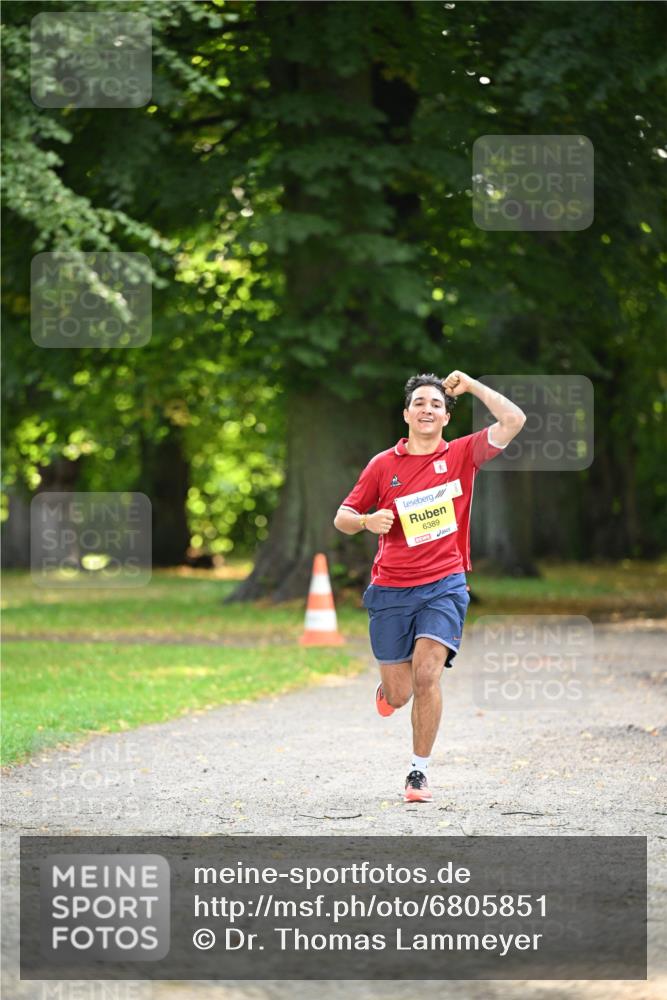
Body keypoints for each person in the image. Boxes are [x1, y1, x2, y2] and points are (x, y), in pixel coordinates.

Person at [333, 371, 526, 802]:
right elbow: (342, 516)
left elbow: (514, 419)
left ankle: (418, 773)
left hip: (445, 583)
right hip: (391, 588)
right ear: (406, 414)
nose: (427, 409)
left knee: (426, 675)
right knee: (401, 693)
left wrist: (473, 386)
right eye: (419, 402)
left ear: (445, 417)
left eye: (436, 404)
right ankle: (388, 691)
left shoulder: (462, 454)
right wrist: (366, 521)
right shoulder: (383, 465)